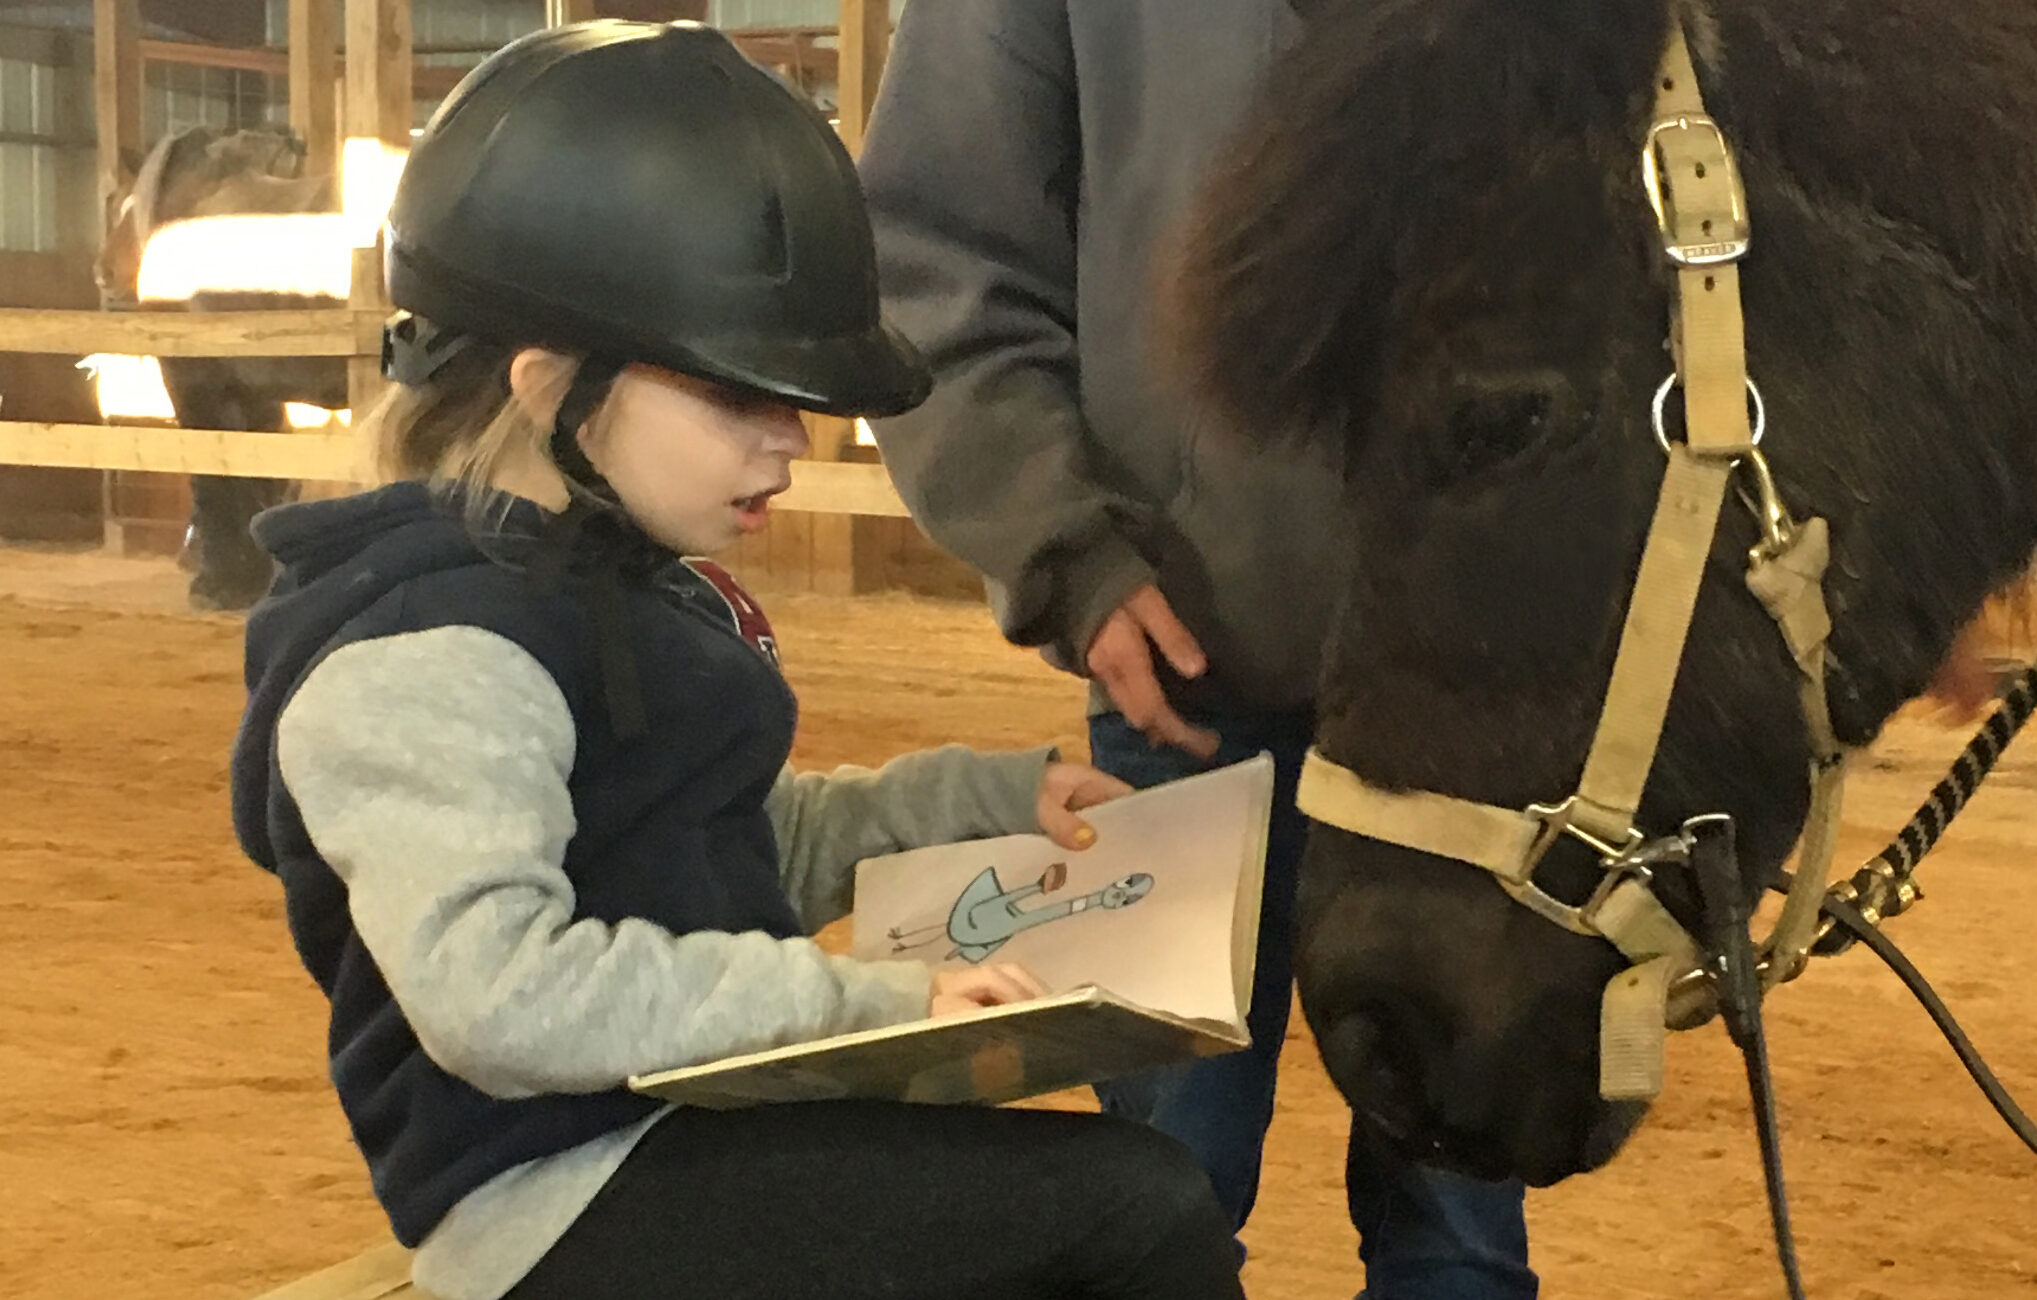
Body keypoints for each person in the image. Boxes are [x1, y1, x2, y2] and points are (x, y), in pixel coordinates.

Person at [227, 22, 1247, 1300]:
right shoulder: (432, 661)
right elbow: (499, 996)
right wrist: (875, 1002)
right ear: (553, 387)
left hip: (681, 1138)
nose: (791, 444)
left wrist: (992, 802)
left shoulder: (598, 595)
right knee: (1136, 1212)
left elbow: (743, 843)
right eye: (737, 398)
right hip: (561, 1199)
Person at [860, 5, 1538, 1296]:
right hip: (1182, 671)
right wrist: (1072, 558)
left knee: (1458, 1223)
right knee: (1164, 1200)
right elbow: (934, 261)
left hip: (1478, 694)